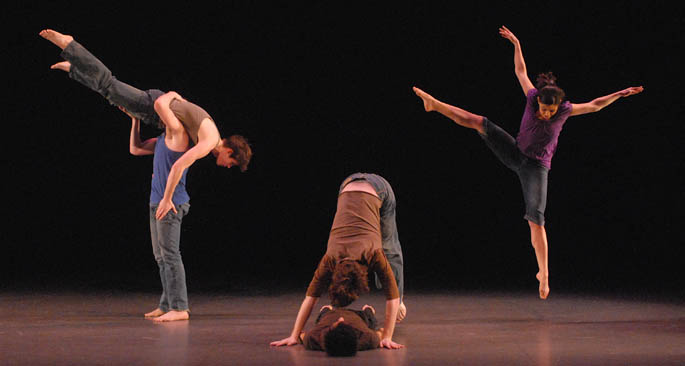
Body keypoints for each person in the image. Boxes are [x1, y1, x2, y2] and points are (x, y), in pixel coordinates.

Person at [412, 26, 643, 299]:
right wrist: (517, 43)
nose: (545, 114)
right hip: (515, 151)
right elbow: (521, 72)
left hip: (536, 168)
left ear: (558, 107)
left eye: (550, 110)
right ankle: (435, 104)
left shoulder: (565, 110)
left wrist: (620, 93)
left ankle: (543, 273)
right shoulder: (533, 97)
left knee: (536, 220)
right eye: (543, 109)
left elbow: (594, 105)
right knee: (479, 122)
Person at [39, 29, 252, 221]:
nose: (228, 166)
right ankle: (70, 45)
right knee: (109, 84)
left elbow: (184, 117)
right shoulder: (208, 142)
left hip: (154, 111)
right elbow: (179, 165)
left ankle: (73, 69)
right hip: (153, 107)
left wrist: (160, 173)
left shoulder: (210, 133)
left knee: (109, 93)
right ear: (230, 150)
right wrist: (167, 199)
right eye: (232, 162)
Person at [271, 173, 405, 350]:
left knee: (389, 248)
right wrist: (294, 335)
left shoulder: (373, 253)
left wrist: (387, 336)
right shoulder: (331, 259)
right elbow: (309, 299)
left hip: (379, 189)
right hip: (346, 187)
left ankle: (404, 299)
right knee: (387, 253)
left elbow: (392, 298)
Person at [126, 105, 192, 322]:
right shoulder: (163, 140)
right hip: (156, 202)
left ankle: (180, 307)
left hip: (171, 204)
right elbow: (135, 149)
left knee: (171, 255)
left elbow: (166, 111)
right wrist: (135, 121)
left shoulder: (179, 138)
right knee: (161, 257)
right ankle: (166, 305)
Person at [301, 304, 382, 356]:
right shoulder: (367, 336)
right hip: (358, 315)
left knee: (324, 312)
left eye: (337, 323)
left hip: (329, 315)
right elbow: (380, 333)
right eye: (344, 323)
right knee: (369, 317)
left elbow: (302, 335)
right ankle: (368, 309)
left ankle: (326, 308)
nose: (341, 319)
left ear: (328, 331)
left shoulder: (314, 337)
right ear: (355, 333)